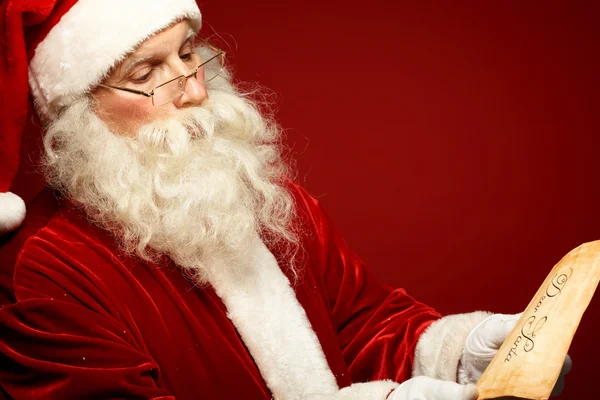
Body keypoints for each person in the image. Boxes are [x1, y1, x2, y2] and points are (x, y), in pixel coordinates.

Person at [0, 1, 570, 399]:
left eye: (188, 53)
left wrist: (464, 352)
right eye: (147, 72)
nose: (194, 88)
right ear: (79, 114)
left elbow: (362, 324)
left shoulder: (259, 195)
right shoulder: (44, 268)